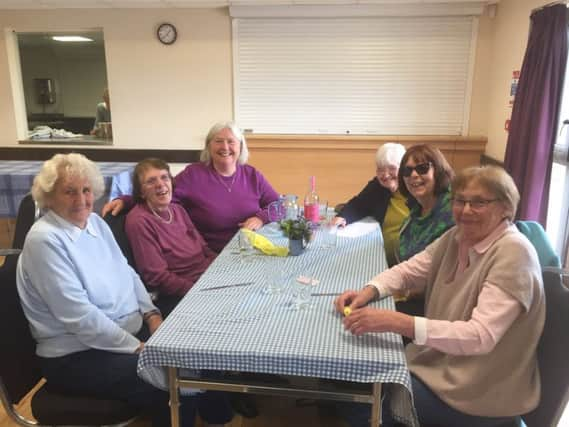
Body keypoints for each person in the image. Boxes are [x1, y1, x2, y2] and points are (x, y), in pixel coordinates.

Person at [16, 153, 232, 427]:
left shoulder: (94, 223)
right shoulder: (44, 240)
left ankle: (218, 420)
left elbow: (127, 273)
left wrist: (152, 315)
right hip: (77, 356)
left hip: (124, 333)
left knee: (197, 348)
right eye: (69, 192)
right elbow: (81, 318)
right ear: (48, 197)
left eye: (86, 190)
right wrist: (138, 348)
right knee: (173, 377)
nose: (81, 200)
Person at [334, 166, 545, 427]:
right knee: (354, 388)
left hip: (483, 390)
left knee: (366, 400)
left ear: (505, 208)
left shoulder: (513, 254)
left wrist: (396, 322)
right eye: (460, 200)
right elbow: (410, 270)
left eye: (479, 202)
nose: (466, 210)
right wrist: (369, 290)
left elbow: (479, 337)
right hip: (445, 365)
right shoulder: (456, 237)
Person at [104, 121, 280, 253]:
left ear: (240, 147)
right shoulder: (193, 175)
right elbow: (160, 194)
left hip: (252, 249)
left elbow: (279, 205)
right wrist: (126, 201)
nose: (225, 147)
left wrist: (260, 218)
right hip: (213, 255)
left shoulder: (252, 175)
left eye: (231, 141)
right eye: (218, 141)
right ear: (208, 146)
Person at [125, 158, 216, 316]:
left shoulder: (177, 210)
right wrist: (198, 291)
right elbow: (157, 277)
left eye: (164, 177)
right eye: (151, 181)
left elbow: (204, 249)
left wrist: (223, 270)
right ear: (141, 192)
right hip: (180, 294)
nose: (160, 184)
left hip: (207, 279)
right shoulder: (139, 221)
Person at [333, 143, 408, 266]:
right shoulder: (378, 187)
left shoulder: (415, 191)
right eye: (380, 169)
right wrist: (343, 216)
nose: (385, 174)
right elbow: (359, 204)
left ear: (404, 167)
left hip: (407, 262)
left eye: (391, 168)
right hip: (382, 256)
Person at [397, 144, 454, 263]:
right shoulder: (417, 207)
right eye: (407, 171)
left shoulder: (454, 209)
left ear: (438, 170)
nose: (413, 175)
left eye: (422, 168)